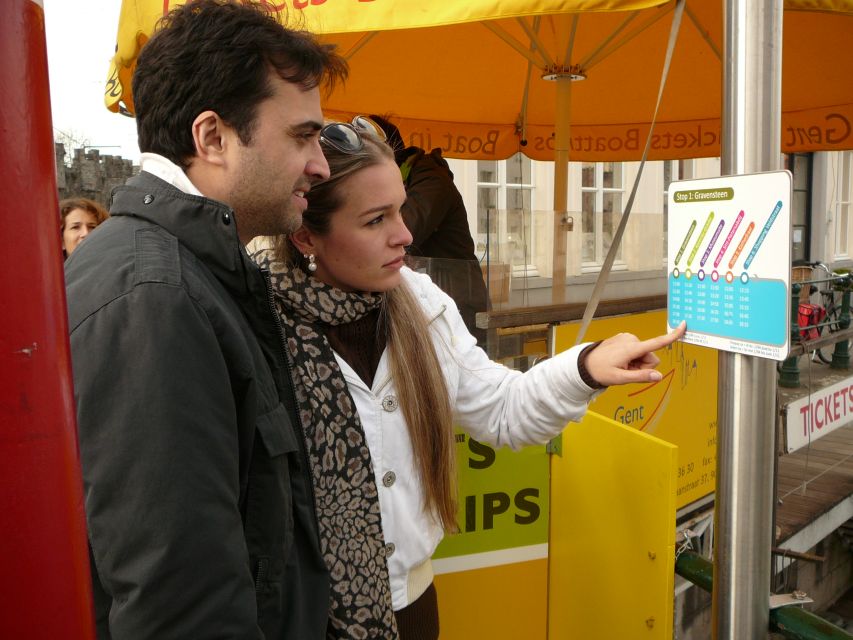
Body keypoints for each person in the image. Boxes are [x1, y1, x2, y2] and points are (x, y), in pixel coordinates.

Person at [250, 121, 687, 639]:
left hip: (410, 606)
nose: (405, 234)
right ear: (305, 236)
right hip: (292, 615)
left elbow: (502, 409)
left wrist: (584, 367)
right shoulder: (255, 323)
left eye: (399, 207)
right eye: (375, 220)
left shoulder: (422, 304)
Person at [64, 2, 347, 638]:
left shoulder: (188, 273)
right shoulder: (154, 297)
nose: (321, 165)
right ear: (212, 138)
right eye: (302, 136)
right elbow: (179, 607)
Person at [369, 114, 490, 343]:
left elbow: (407, 228)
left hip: (456, 304)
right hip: (430, 298)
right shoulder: (408, 179)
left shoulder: (432, 178)